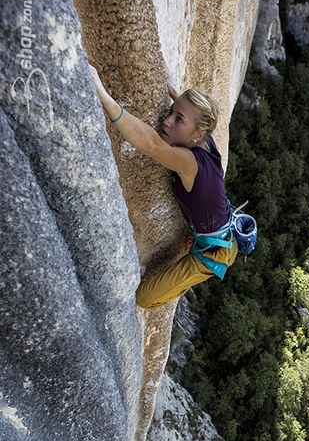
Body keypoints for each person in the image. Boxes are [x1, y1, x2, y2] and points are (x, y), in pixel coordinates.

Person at [89, 65, 238, 309]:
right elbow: (194, 117)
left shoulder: (190, 162)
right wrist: (170, 87)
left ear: (198, 135)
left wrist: (103, 95)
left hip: (213, 253)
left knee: (145, 299)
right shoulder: (205, 141)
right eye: (171, 112)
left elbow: (152, 145)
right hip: (219, 226)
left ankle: (183, 282)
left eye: (178, 119)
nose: (166, 121)